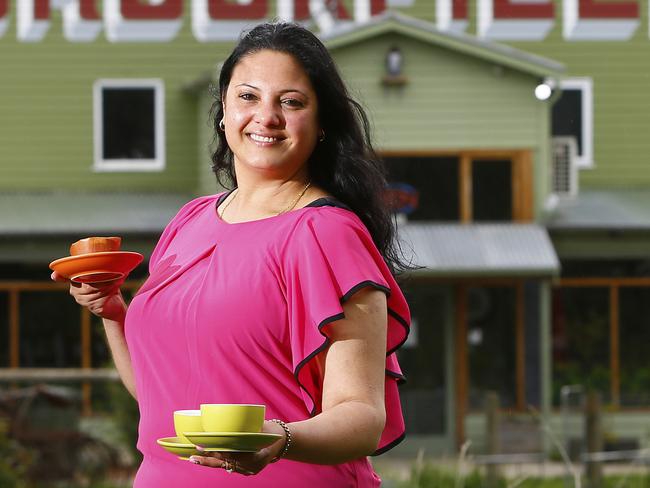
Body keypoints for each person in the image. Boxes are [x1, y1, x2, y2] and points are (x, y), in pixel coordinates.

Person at [52, 21, 411, 487]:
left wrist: (281, 439)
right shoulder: (190, 220)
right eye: (248, 96)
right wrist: (113, 311)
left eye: (292, 101)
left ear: (321, 125)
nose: (267, 116)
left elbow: (362, 416)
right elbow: (160, 396)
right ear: (222, 110)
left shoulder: (326, 233)